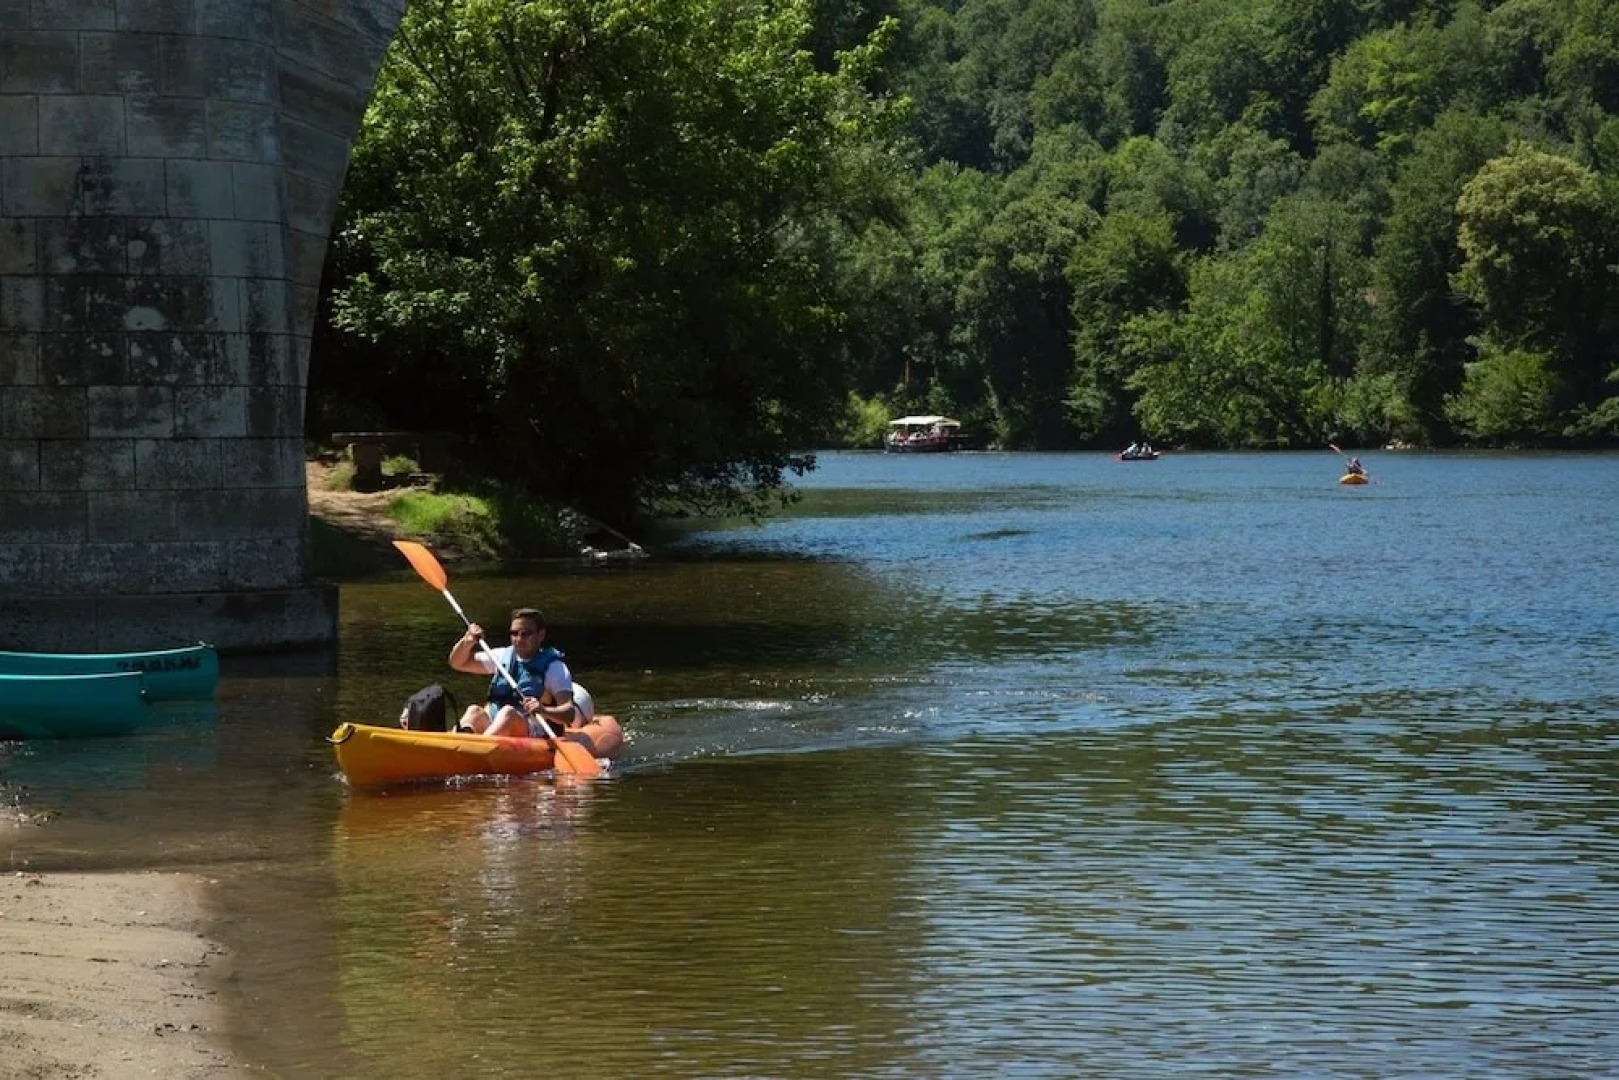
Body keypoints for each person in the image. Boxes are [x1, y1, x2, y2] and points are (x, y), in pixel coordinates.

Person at [447, 608, 623, 758]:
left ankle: (474, 753)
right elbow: (457, 663)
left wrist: (543, 709)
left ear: (541, 635)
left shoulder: (555, 668)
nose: (519, 639)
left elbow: (569, 713)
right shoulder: (501, 657)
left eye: (526, 634)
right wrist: (467, 642)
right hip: (497, 725)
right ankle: (456, 746)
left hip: (533, 730)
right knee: (474, 711)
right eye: (514, 633)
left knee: (508, 712)